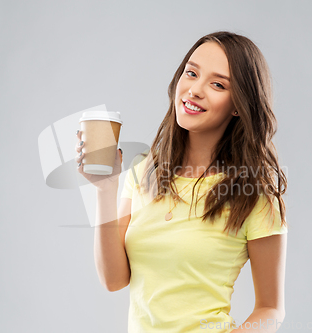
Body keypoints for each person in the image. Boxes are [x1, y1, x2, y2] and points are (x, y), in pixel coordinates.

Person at [75, 31, 288, 333]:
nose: (195, 90)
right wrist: (105, 187)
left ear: (239, 104)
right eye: (191, 73)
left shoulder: (253, 195)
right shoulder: (143, 172)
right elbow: (114, 279)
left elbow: (271, 308)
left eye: (217, 84)